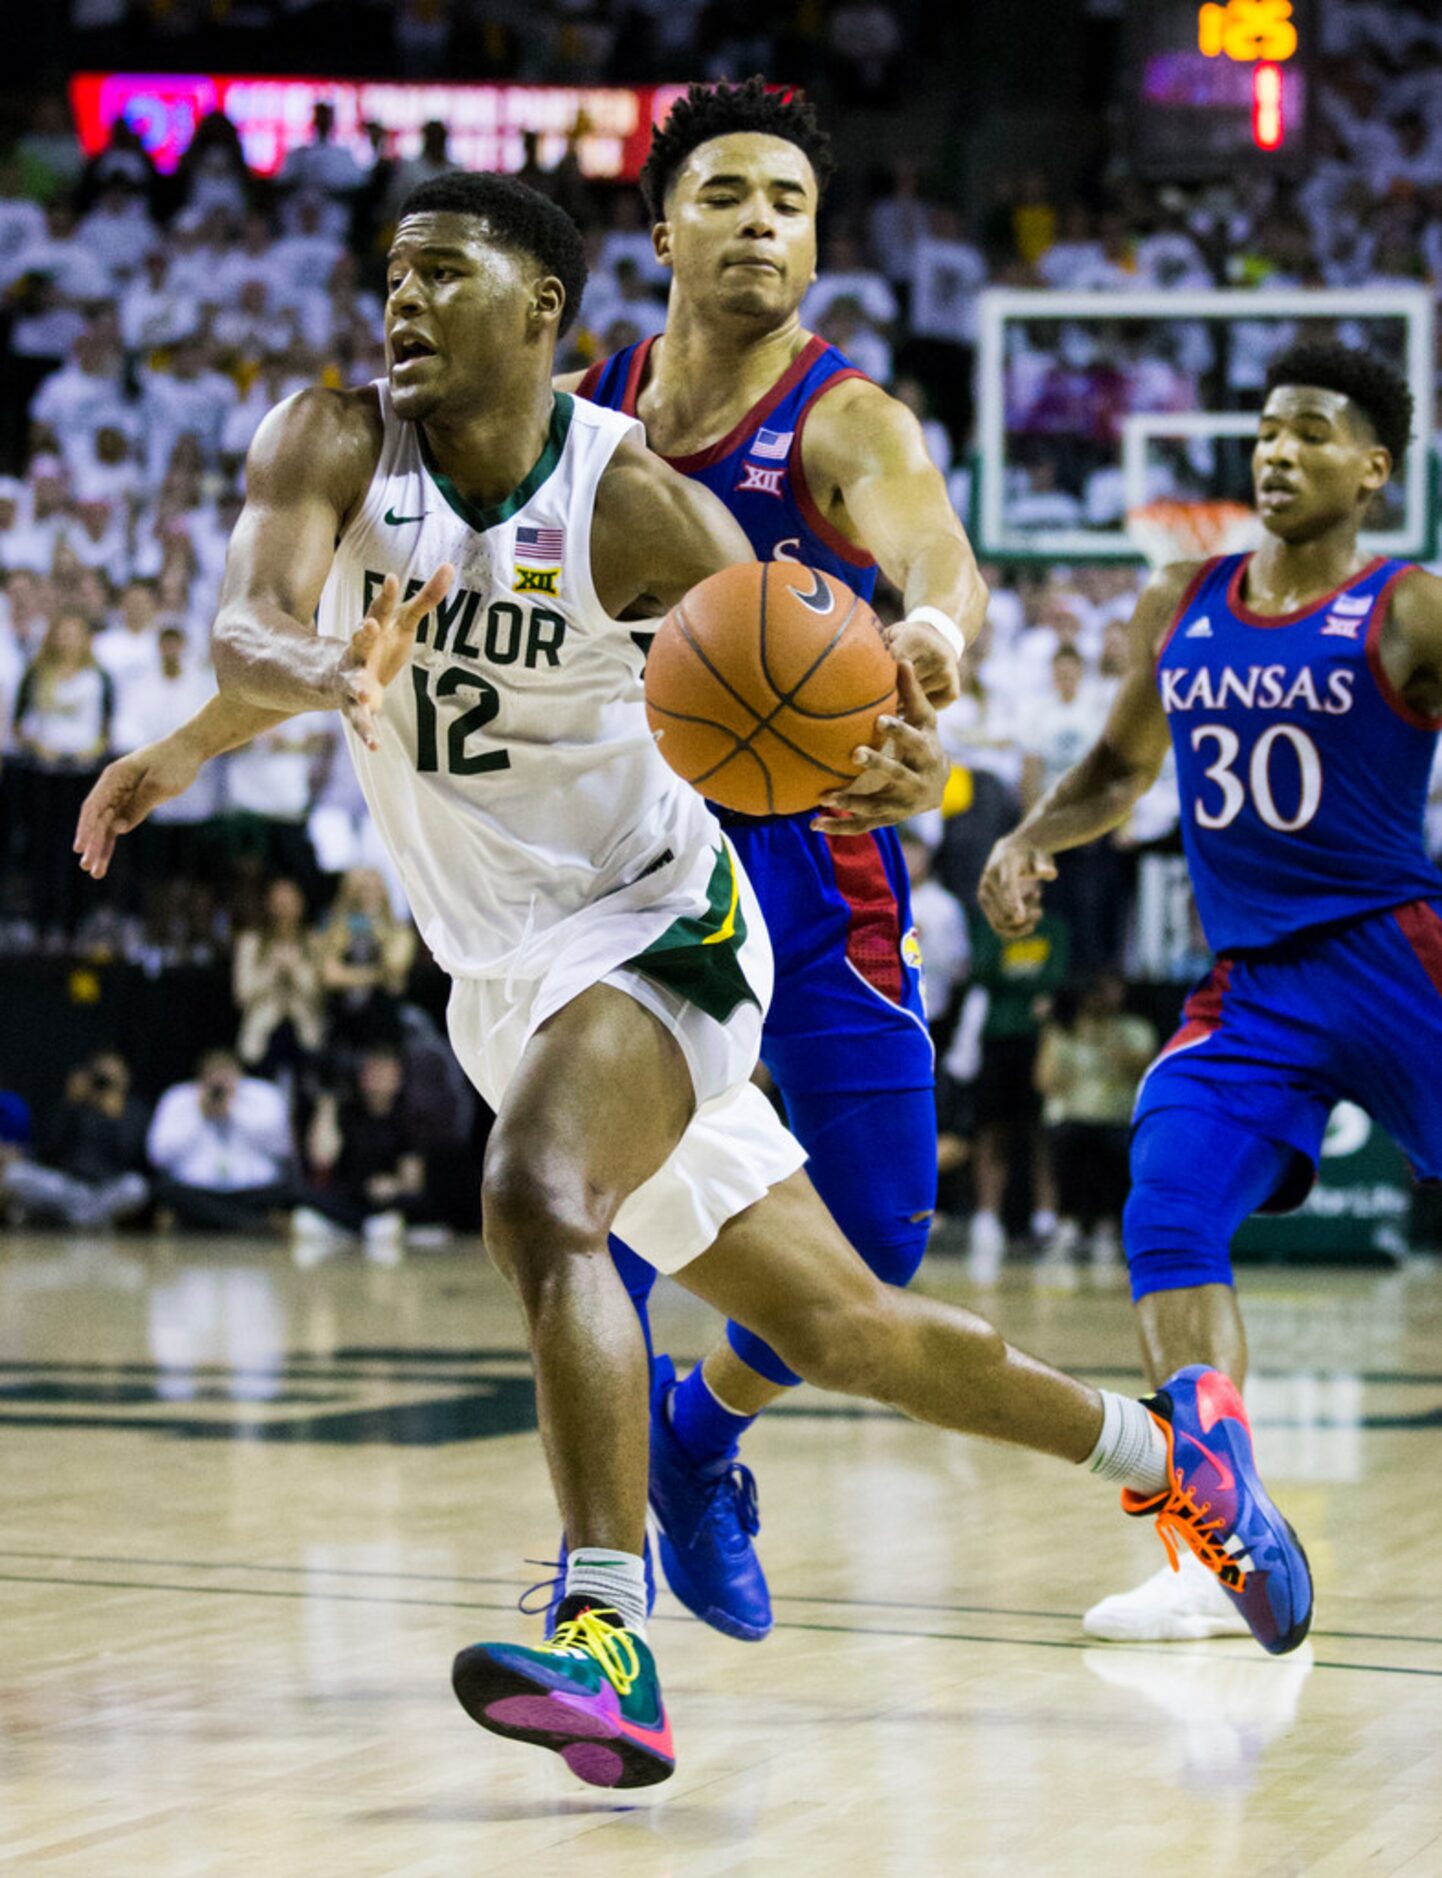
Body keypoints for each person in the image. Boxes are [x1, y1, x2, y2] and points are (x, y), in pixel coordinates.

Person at [75, 172, 1309, 1788]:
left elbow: (816, 701)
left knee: (538, 1193)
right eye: (390, 271)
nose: (401, 301)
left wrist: (879, 765)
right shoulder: (326, 438)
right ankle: (1181, 1468)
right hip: (497, 972)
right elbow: (257, 624)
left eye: (443, 273)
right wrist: (210, 727)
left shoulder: (633, 503)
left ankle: (604, 1632)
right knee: (848, 1323)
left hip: (660, 921)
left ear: (542, 314)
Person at [568, 77, 985, 1644]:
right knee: (582, 1211)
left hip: (814, 863)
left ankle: (697, 1433)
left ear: (814, 248)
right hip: (627, 871)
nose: (760, 221)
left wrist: (928, 632)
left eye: (790, 204)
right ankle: (589, 1576)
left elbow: (931, 540)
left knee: (873, 1237)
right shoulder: (579, 414)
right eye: (729, 193)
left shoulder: (841, 411)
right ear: (661, 222)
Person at [980, 339, 1439, 1643]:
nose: (1278, 450)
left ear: (1372, 468)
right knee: (1166, 1209)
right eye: (1265, 431)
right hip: (1249, 985)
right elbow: (1120, 771)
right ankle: (1209, 1536)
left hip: (1398, 954)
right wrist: (1027, 841)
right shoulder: (1188, 598)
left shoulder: (1406, 605)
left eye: (1311, 432)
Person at [146, 1047, 298, 1233]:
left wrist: (234, 1111)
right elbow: (158, 1156)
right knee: (163, 1190)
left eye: (226, 1076)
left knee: (293, 1191)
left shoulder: (264, 1095)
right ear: (201, 1078)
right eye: (213, 1077)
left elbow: (283, 1147)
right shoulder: (178, 1098)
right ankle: (245, 1225)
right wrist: (200, 1114)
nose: (219, 1084)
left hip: (254, 1191)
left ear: (239, 1074)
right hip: (197, 1191)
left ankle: (224, 1222)